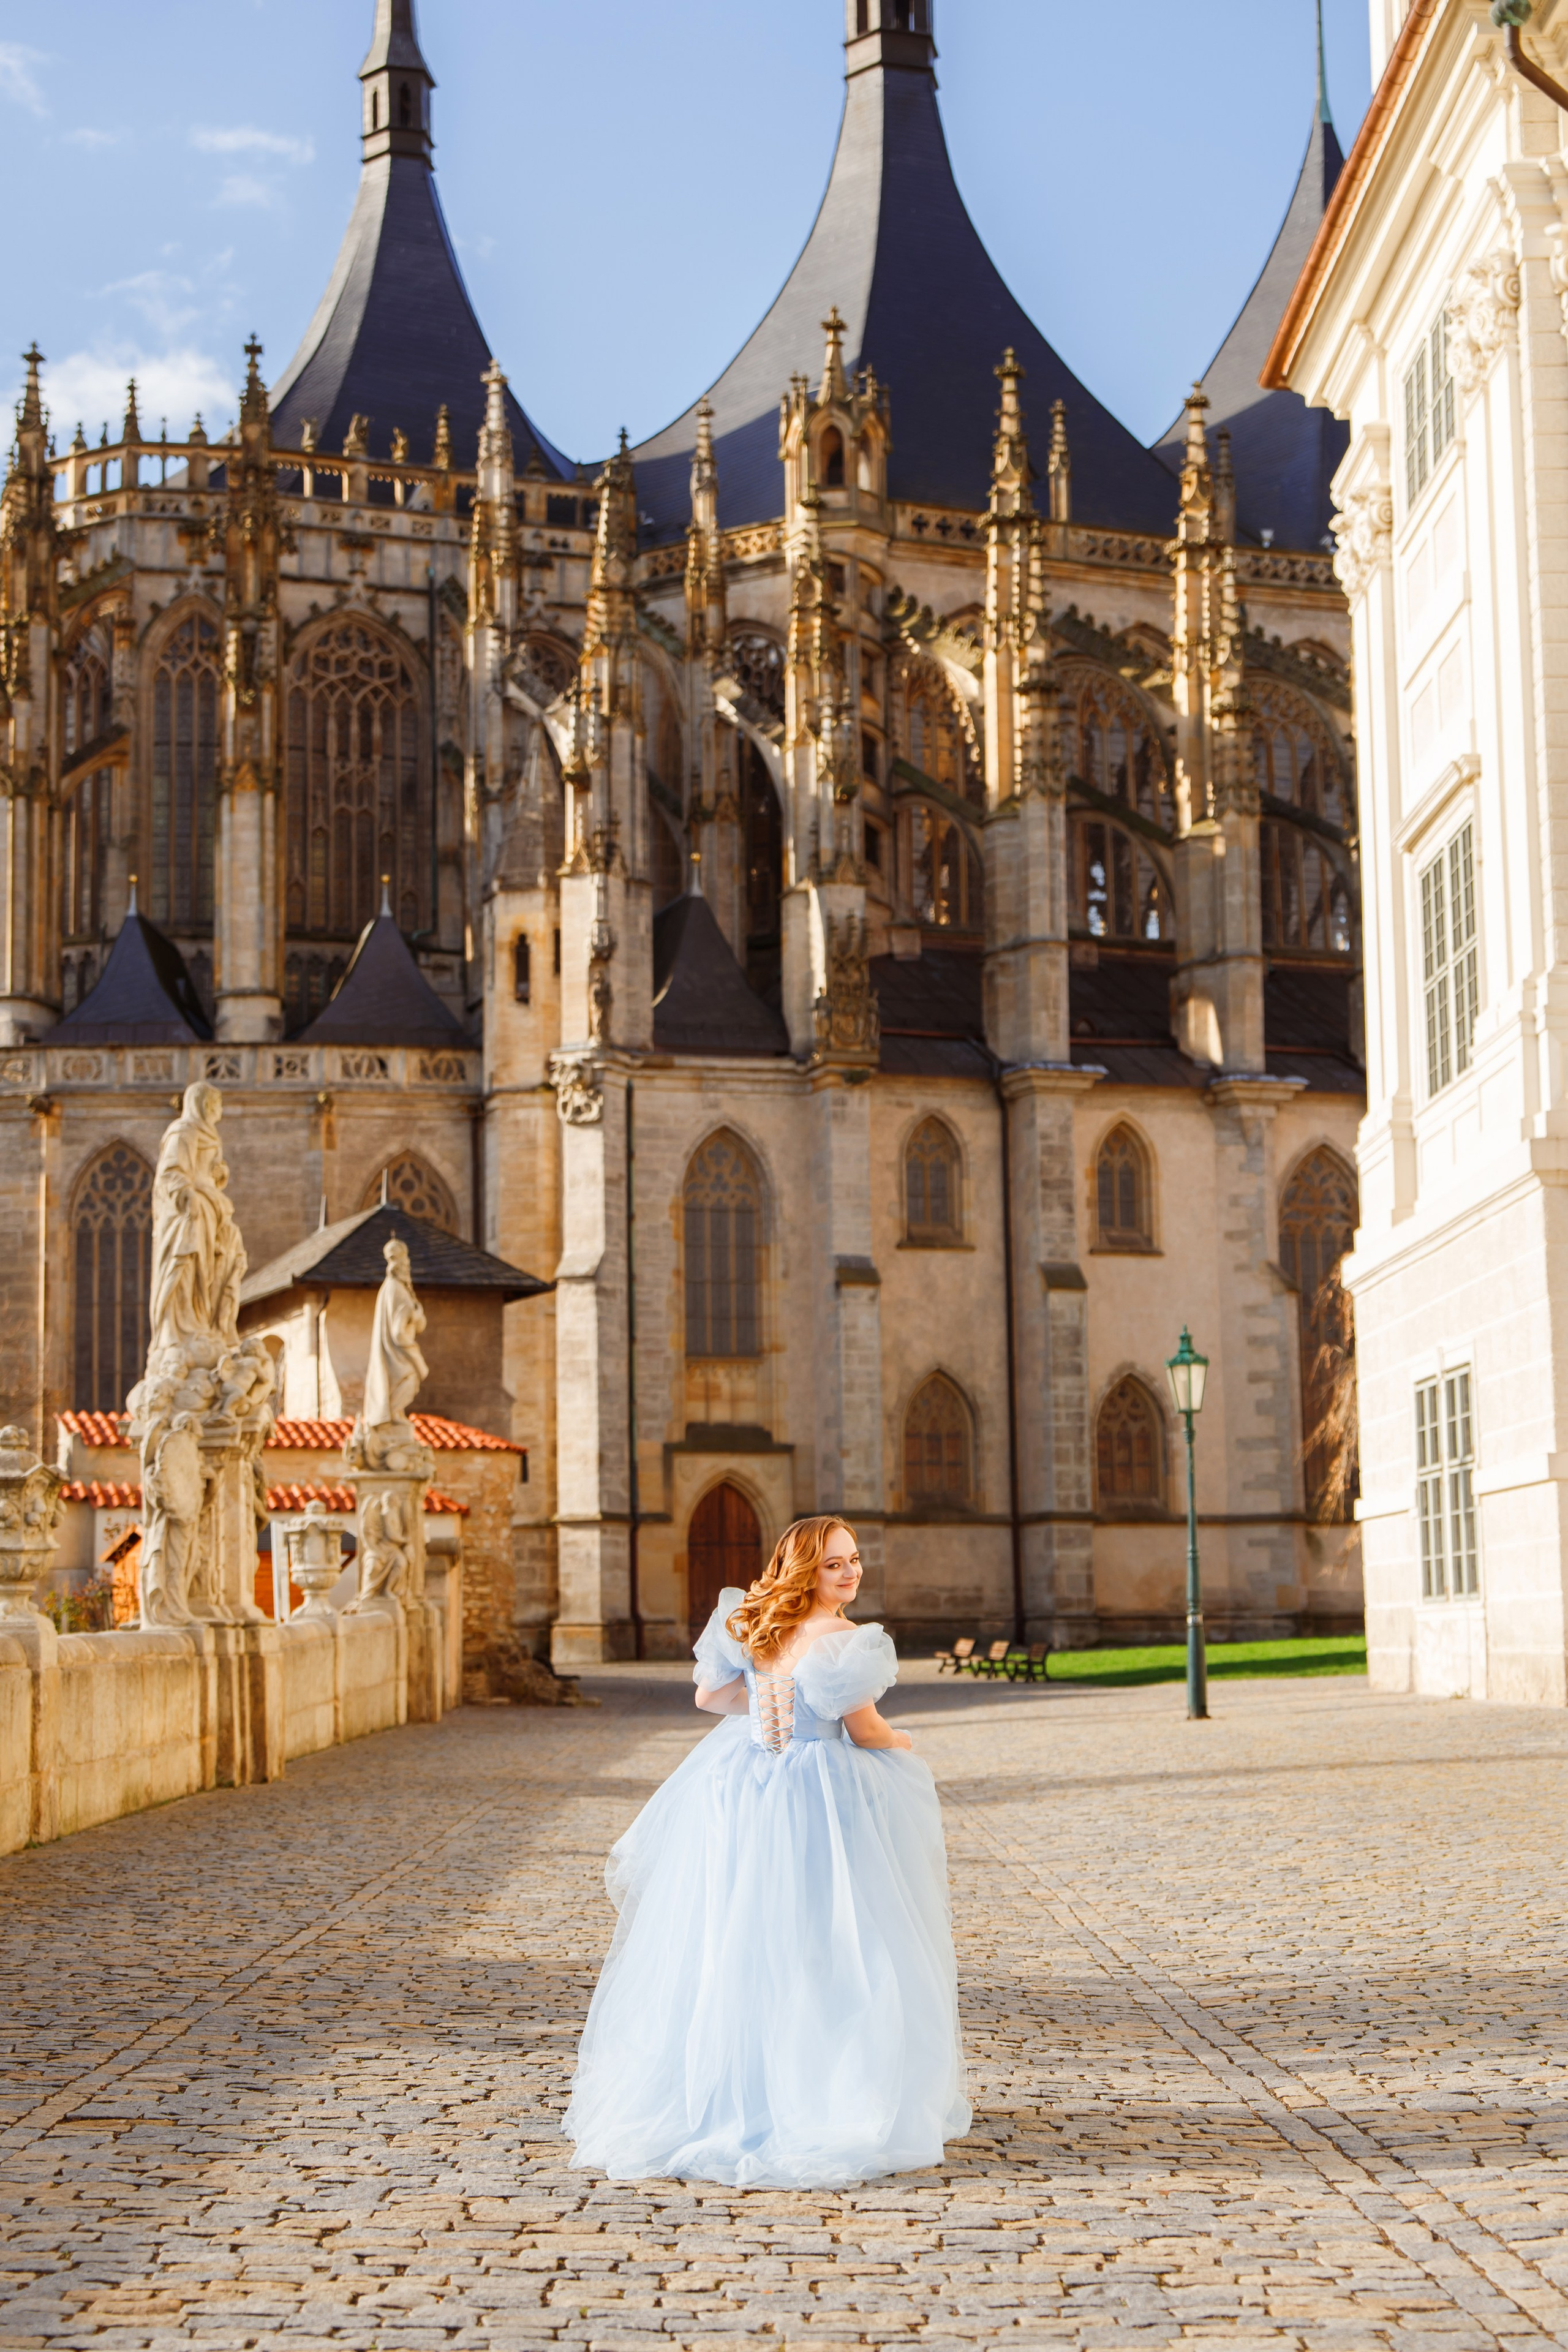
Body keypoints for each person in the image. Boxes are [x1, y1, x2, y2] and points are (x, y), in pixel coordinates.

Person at [564, 1514, 970, 2188]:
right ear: (805, 1571)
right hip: (817, 1791)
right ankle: (819, 2096)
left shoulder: (753, 1627)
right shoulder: (846, 1640)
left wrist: (763, 1705)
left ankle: (731, 2092)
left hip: (744, 1786)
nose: (850, 1572)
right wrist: (903, 1744)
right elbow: (864, 1731)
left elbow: (708, 1697)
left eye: (854, 1559)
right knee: (834, 1939)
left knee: (737, 1936)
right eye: (834, 1563)